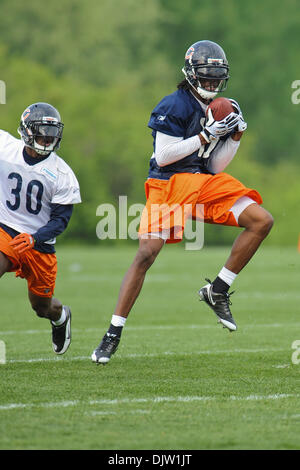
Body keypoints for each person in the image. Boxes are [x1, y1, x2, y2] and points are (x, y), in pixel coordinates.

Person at [91, 40, 273, 364]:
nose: (212, 83)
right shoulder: (173, 105)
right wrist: (206, 135)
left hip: (201, 182)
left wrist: (235, 136)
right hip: (167, 183)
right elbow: (163, 156)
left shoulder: (219, 107)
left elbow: (215, 166)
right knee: (146, 254)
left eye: (217, 77)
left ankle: (217, 289)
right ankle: (113, 332)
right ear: (190, 73)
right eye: (206, 76)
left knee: (261, 220)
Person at [0, 102, 81, 355]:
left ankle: (60, 318)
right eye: (41, 131)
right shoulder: (5, 147)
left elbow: (60, 221)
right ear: (26, 131)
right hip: (5, 228)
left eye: (51, 133)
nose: (47, 138)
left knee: (43, 308)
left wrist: (35, 239)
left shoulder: (62, 173)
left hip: (39, 244)